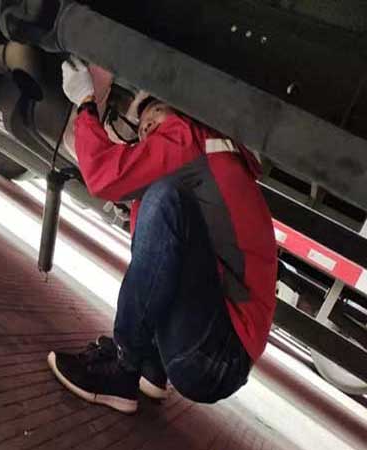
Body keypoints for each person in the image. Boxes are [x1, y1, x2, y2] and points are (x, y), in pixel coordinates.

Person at [47, 58, 278, 414]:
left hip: (214, 354)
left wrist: (86, 103)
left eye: (155, 112)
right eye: (142, 128)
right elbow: (159, 262)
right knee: (162, 217)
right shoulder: (206, 162)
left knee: (164, 200)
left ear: (183, 111)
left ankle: (123, 370)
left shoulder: (188, 138)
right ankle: (152, 367)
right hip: (215, 351)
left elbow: (105, 176)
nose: (147, 128)